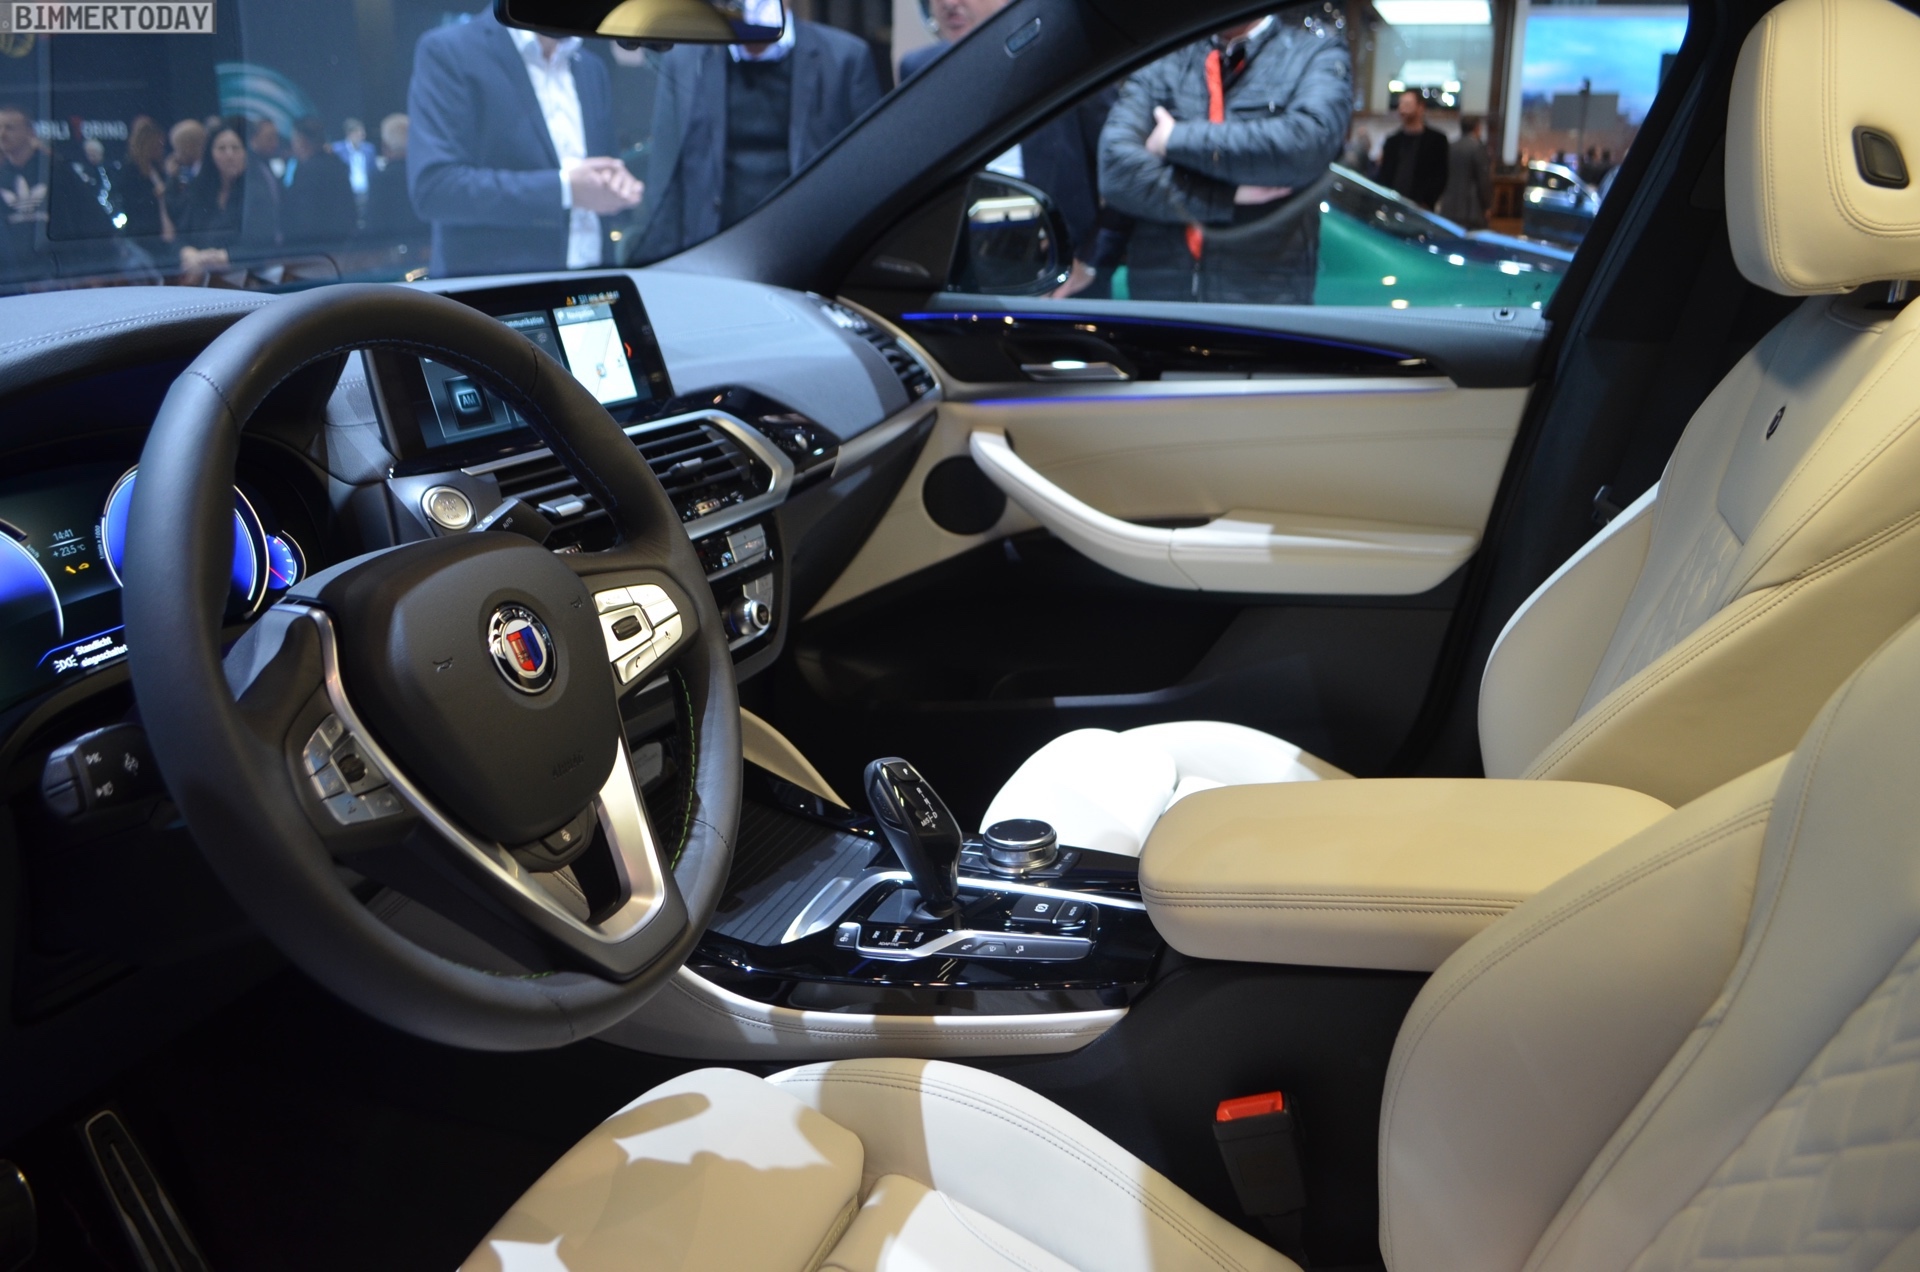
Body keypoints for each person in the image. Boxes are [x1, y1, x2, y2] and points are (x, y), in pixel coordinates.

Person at [1098, 15, 1351, 304]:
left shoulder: (1314, 53)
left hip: (1262, 301)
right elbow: (1115, 169)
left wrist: (1173, 139)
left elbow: (1304, 147)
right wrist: (1227, 196)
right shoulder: (1164, 59)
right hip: (1160, 300)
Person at [899, 0, 1110, 298]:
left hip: (1055, 276)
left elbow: (1120, 171)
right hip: (958, 275)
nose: (949, 3)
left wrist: (1090, 260)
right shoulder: (919, 70)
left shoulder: (1065, 58)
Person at [630, 13, 881, 261]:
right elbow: (665, 180)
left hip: (810, 253)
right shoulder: (685, 61)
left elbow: (869, 178)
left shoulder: (845, 59)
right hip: (711, 252)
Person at [408, 9, 639, 277]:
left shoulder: (590, 67)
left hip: (594, 282)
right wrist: (565, 190)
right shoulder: (450, 51)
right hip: (499, 292)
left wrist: (618, 185)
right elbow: (435, 188)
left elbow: (603, 170)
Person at [0, 103, 115, 279]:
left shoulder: (56, 172)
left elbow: (92, 217)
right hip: (13, 279)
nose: (2, 134)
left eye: (10, 128)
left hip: (60, 275)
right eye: (0, 127)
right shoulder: (2, 176)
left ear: (30, 132)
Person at [175, 119, 281, 278]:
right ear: (210, 154)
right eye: (221, 148)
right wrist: (188, 252)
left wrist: (224, 257)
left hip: (246, 278)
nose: (229, 155)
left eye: (235, 148)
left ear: (245, 152)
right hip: (201, 277)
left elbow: (262, 244)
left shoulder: (257, 192)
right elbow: (180, 236)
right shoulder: (198, 190)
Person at [282, 117, 357, 248]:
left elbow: (304, 214)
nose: (292, 144)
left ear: (302, 141)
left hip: (312, 246)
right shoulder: (337, 164)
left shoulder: (308, 171)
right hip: (339, 243)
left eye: (294, 139)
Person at [364, 112, 429, 246]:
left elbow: (373, 224)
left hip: (388, 251)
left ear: (385, 147)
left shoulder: (379, 179)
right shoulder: (426, 176)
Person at [1377, 88, 1447, 209]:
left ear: (1420, 107)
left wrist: (1427, 202)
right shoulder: (1392, 141)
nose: (1402, 108)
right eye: (1400, 104)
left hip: (1421, 208)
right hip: (1393, 204)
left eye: (1407, 104)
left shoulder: (1436, 141)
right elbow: (1384, 174)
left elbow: (1440, 176)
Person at [114, 116, 175, 242]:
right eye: (157, 145)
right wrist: (154, 195)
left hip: (162, 228)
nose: (161, 149)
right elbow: (129, 201)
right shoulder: (130, 170)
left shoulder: (157, 167)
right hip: (143, 232)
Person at [1438, 114, 1491, 228]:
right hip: (1471, 209)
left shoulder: (1450, 146)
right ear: (1477, 128)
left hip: (1448, 206)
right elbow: (1483, 180)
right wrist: (1487, 206)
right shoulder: (1478, 148)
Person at [164, 118, 206, 224]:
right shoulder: (184, 173)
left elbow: (179, 208)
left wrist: (172, 178)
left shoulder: (205, 175)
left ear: (189, 147)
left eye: (177, 149)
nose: (176, 155)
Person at [331, 117, 377, 199]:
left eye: (362, 134)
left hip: (367, 192)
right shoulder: (337, 150)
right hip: (346, 193)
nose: (361, 137)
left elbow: (373, 170)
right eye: (357, 133)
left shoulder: (369, 149)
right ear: (349, 134)